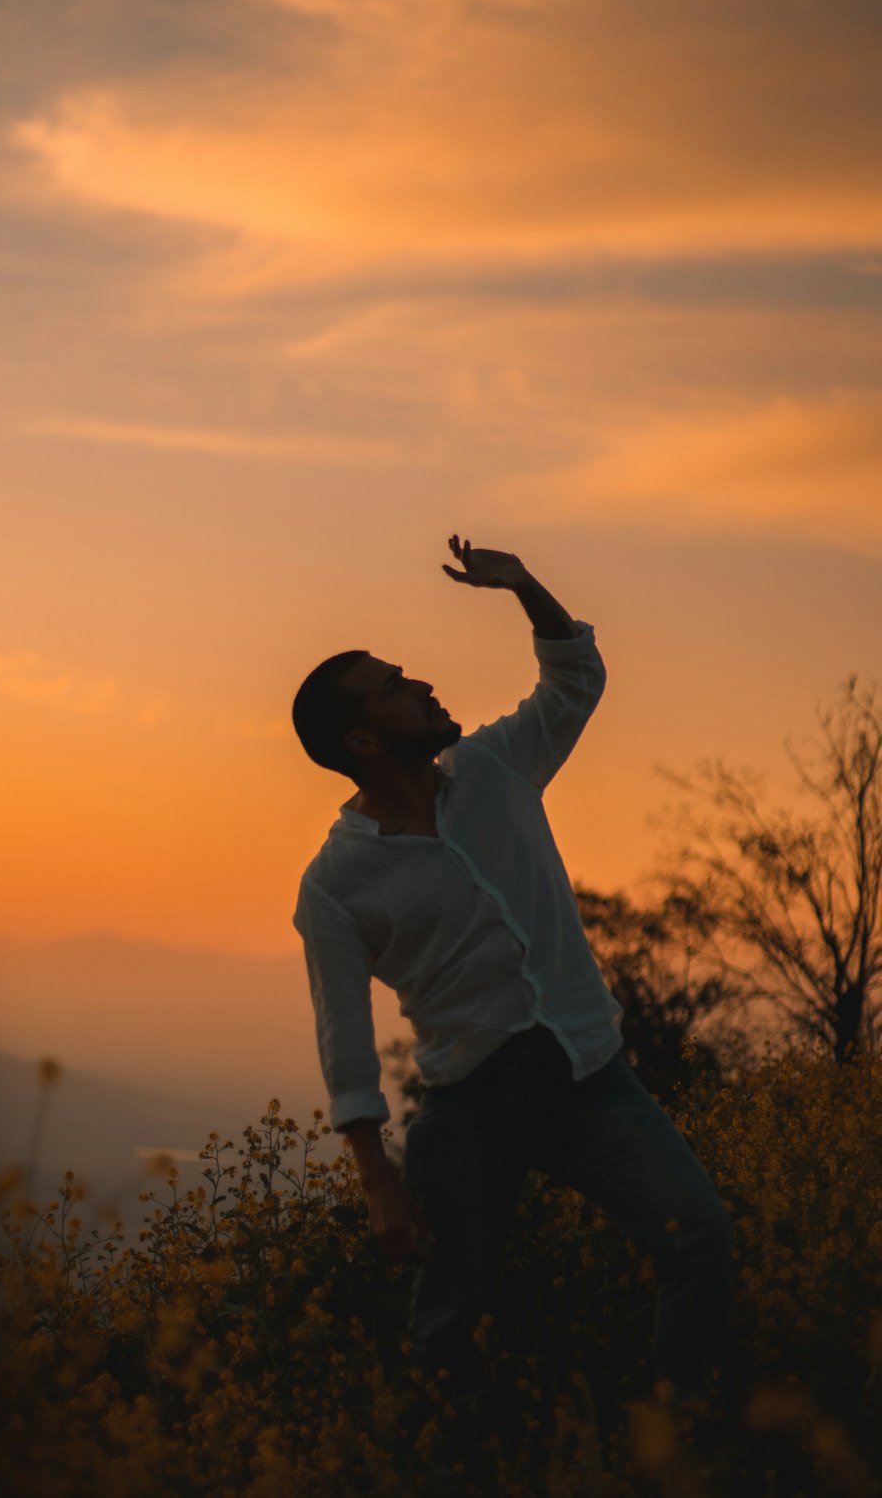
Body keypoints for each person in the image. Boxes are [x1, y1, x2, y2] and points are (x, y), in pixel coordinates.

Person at [290, 536, 733, 1410]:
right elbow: (343, 1041)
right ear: (363, 738)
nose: (420, 686)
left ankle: (688, 1448)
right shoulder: (336, 883)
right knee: (447, 1321)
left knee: (700, 1240)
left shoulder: (492, 768)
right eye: (394, 688)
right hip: (470, 1105)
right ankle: (450, 1464)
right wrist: (378, 1182)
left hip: (589, 1077)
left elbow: (573, 683)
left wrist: (526, 586)